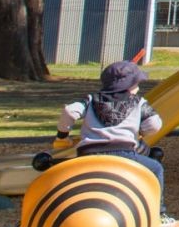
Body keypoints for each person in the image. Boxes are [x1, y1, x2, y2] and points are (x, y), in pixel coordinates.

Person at [58, 60, 167, 206]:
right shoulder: (138, 102)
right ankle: (159, 211)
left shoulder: (91, 100)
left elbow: (69, 111)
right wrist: (141, 132)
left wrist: (62, 135)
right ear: (130, 86)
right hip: (124, 153)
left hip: (88, 154)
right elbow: (154, 124)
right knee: (156, 168)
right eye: (137, 84)